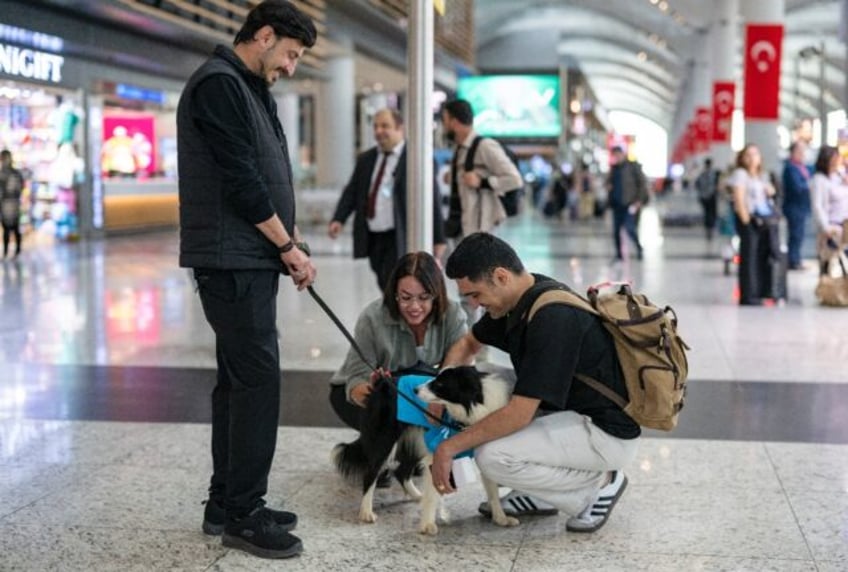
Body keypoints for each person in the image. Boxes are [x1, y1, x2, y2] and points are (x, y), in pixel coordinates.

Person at [176, 0, 317, 560]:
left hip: (248, 258)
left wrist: (291, 240)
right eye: (289, 53)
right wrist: (285, 244)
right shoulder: (219, 85)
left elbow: (269, 172)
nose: (291, 66)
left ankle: (225, 502)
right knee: (257, 383)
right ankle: (244, 513)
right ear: (262, 35)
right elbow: (242, 179)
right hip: (232, 260)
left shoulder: (247, 87)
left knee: (239, 382)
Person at [431, 232, 639, 534]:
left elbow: (519, 414)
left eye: (475, 295)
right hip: (570, 413)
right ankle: (541, 491)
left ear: (501, 276)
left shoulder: (552, 318)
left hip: (605, 433)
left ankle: (601, 484)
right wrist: (440, 394)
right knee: (484, 378)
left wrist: (447, 448)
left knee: (491, 455)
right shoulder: (518, 299)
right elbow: (468, 344)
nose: (474, 306)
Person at [329, 251, 466, 432]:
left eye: (424, 297)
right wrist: (376, 394)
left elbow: (459, 370)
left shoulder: (453, 314)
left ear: (436, 294)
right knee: (397, 424)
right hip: (367, 393)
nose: (414, 307)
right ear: (394, 294)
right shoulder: (372, 318)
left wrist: (440, 398)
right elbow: (356, 382)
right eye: (406, 298)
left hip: (420, 387)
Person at [328, 108, 447, 291]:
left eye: (385, 126)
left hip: (400, 236)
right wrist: (339, 218)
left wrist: (438, 239)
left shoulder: (416, 158)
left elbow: (433, 200)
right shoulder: (367, 159)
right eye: (376, 126)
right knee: (385, 283)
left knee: (400, 286)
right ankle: (395, 316)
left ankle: (399, 317)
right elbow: (352, 191)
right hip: (374, 237)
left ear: (400, 128)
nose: (378, 131)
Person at [440, 99, 523, 238]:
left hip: (482, 231)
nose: (444, 126)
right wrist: (454, 176)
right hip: (461, 228)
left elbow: (515, 179)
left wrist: (483, 182)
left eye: (445, 121)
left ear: (454, 123)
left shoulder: (485, 146)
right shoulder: (459, 149)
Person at [729, 144, 781, 305]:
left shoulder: (761, 176)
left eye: (755, 154)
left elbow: (770, 193)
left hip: (763, 221)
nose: (752, 158)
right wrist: (745, 220)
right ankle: (748, 294)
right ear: (742, 158)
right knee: (749, 257)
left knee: (761, 256)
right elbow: (738, 198)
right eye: (748, 155)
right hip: (749, 220)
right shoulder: (740, 174)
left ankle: (761, 291)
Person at [605, 146, 648, 261]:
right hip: (616, 205)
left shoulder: (632, 167)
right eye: (615, 155)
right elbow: (608, 184)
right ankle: (619, 254)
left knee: (630, 228)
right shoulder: (613, 169)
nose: (617, 157)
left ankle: (639, 248)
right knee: (616, 231)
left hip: (630, 204)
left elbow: (642, 184)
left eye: (618, 154)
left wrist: (639, 200)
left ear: (623, 154)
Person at [810, 145, 848, 274]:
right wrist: (825, 227)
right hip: (832, 228)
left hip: (844, 226)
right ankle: (829, 292)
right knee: (829, 266)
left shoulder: (839, 177)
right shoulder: (819, 180)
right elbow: (817, 206)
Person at [781, 141, 812, 270]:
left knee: (799, 235)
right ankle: (793, 261)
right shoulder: (790, 168)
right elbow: (796, 187)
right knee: (795, 234)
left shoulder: (802, 167)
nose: (802, 154)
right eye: (799, 151)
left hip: (802, 206)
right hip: (794, 206)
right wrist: (809, 186)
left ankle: (796, 259)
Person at [0, 149, 24, 259]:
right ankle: (12, 251)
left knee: (12, 228)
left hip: (8, 203)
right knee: (12, 228)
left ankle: (12, 251)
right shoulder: (15, 173)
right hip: (11, 203)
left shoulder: (4, 174)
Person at [694, 157, 719, 241]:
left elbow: (697, 185)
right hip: (711, 197)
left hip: (704, 197)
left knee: (707, 213)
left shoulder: (702, 174)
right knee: (711, 213)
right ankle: (710, 228)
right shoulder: (714, 174)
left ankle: (709, 228)